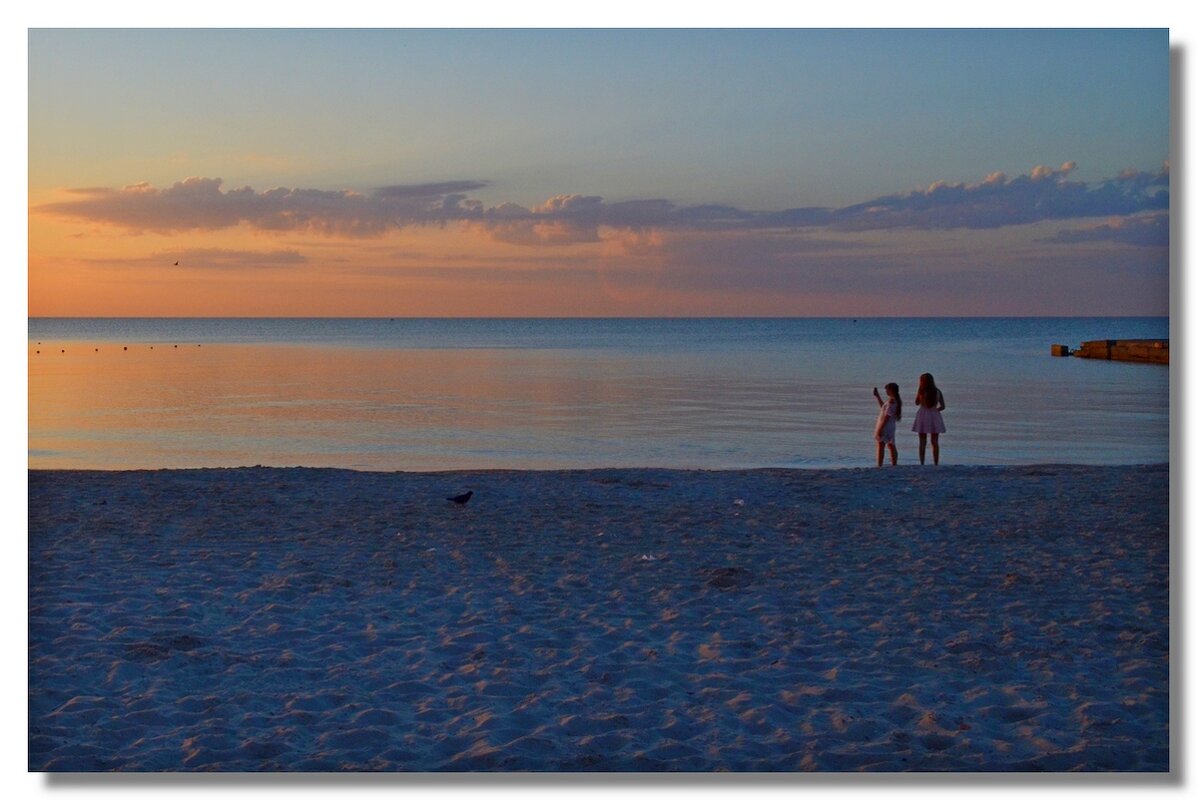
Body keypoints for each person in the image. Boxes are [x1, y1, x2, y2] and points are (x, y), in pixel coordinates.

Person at [912, 372, 947, 465]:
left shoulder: (921, 391)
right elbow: (943, 406)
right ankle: (936, 462)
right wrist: (935, 410)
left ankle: (922, 462)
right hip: (934, 415)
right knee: (935, 442)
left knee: (922, 442)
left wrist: (919, 390)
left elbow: (916, 403)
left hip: (923, 415)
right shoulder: (938, 392)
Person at [872, 383, 902, 466]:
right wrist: (877, 396)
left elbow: (887, 416)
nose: (886, 392)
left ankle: (880, 464)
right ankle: (893, 464)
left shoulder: (892, 401)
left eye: (887, 390)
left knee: (881, 445)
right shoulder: (894, 400)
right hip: (890, 425)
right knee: (891, 445)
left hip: (886, 425)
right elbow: (883, 408)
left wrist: (880, 428)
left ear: (891, 390)